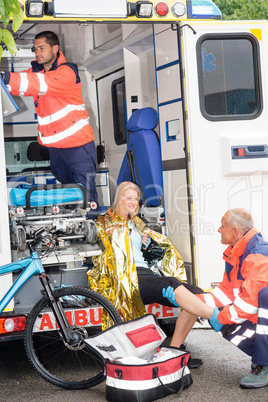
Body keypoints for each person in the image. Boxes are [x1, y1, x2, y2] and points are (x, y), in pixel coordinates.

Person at [87, 181, 214, 368]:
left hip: (146, 274)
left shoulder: (139, 223)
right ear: (118, 198)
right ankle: (216, 316)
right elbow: (99, 255)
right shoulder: (103, 222)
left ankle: (174, 352)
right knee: (170, 282)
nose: (132, 202)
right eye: (128, 197)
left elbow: (150, 255)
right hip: (126, 280)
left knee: (196, 293)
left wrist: (149, 245)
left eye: (136, 199)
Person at [163, 208, 268, 389]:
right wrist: (193, 301)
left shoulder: (257, 255)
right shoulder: (238, 250)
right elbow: (225, 292)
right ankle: (172, 355)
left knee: (264, 298)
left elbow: (248, 304)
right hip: (250, 310)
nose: (219, 229)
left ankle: (264, 363)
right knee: (199, 308)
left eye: (222, 225)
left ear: (235, 231)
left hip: (256, 310)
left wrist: (218, 317)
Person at [1, 31, 98, 217]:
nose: (37, 52)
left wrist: (6, 77)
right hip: (56, 151)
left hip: (78, 148)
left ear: (55, 49)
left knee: (86, 198)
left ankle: (95, 238)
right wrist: (4, 81)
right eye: (35, 49)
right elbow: (19, 84)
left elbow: (37, 84)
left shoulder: (67, 72)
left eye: (41, 48)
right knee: (67, 200)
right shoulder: (38, 73)